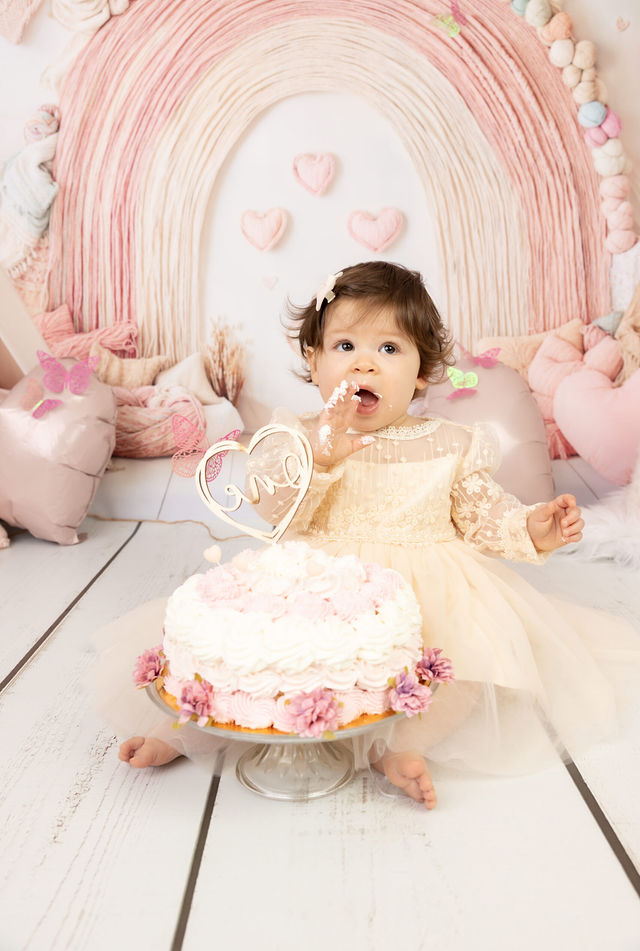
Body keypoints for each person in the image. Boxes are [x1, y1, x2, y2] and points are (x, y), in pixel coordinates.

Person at [117, 261, 639, 808]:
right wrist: (320, 457)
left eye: (389, 349)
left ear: (419, 373)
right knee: (259, 666)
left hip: (431, 592)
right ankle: (192, 729)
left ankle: (398, 747)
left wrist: (533, 527)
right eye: (345, 347)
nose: (365, 362)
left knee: (462, 671)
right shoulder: (296, 435)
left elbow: (484, 515)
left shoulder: (447, 442)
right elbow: (277, 510)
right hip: (319, 590)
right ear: (313, 362)